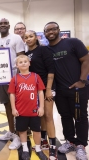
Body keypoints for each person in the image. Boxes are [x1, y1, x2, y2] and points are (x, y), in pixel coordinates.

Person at [44, 21, 89, 160]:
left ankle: (81, 145)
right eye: (47, 30)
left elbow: (86, 60)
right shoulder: (46, 50)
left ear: (59, 30)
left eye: (53, 29)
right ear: (45, 34)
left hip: (77, 88)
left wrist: (82, 81)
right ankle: (70, 141)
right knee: (65, 116)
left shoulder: (72, 42)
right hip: (60, 90)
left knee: (80, 116)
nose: (51, 32)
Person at [0, 18, 24, 149]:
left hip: (15, 79)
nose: (3, 25)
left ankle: (19, 135)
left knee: (18, 107)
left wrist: (20, 78)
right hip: (2, 79)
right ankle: (12, 131)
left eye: (5, 23)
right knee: (7, 106)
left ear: (9, 26)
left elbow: (22, 58)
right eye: (1, 24)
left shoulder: (16, 38)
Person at [24, 30, 57, 159]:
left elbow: (51, 70)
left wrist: (48, 89)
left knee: (48, 116)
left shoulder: (43, 50)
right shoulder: (27, 54)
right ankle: (44, 141)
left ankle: (53, 147)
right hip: (36, 90)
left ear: (36, 37)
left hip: (47, 87)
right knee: (41, 115)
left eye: (31, 36)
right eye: (26, 37)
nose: (28, 39)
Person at [9, 55, 47, 160]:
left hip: (34, 110)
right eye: (20, 62)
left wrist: (41, 107)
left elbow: (40, 92)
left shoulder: (35, 76)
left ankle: (38, 149)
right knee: (22, 130)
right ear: (17, 65)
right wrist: (13, 108)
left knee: (37, 131)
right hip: (21, 111)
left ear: (29, 63)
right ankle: (25, 149)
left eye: (25, 61)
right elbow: (12, 94)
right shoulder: (15, 79)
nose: (23, 63)